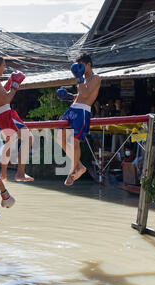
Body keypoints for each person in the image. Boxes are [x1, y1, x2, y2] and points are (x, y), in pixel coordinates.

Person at [0, 55, 34, 182]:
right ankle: (20, 173)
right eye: (3, 66)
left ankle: (3, 174)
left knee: (10, 142)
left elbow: (1, 93)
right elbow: (6, 99)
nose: (4, 69)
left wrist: (10, 81)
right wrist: (15, 85)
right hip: (6, 114)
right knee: (29, 138)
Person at [56, 53, 101, 186]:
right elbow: (80, 95)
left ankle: (72, 172)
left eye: (81, 65)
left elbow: (86, 94)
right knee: (60, 138)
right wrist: (69, 96)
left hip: (82, 111)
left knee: (74, 140)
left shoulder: (96, 78)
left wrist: (80, 78)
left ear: (88, 64)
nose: (79, 68)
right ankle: (80, 166)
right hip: (72, 109)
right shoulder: (83, 79)